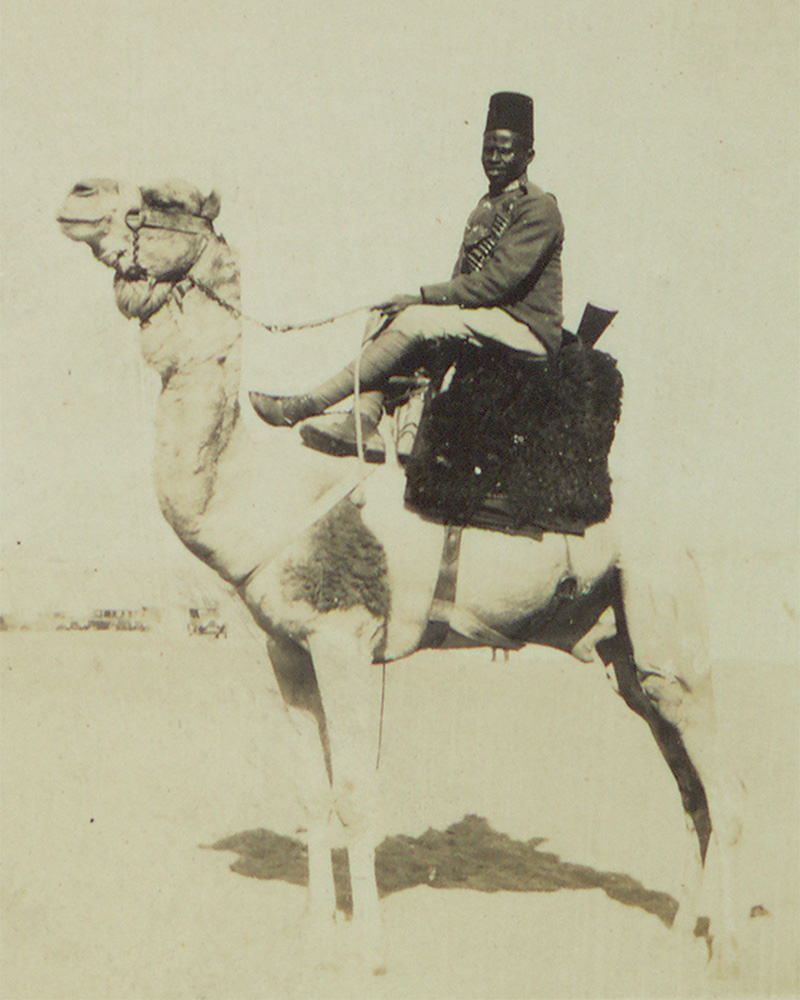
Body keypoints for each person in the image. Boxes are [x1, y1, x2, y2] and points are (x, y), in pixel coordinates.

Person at [250, 91, 564, 459]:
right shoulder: (486, 206)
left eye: (505, 150)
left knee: (414, 316)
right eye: (488, 149)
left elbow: (497, 283)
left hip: (525, 328)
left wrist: (421, 298)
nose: (494, 158)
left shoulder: (539, 207)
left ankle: (303, 405)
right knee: (384, 316)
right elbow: (463, 276)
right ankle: (362, 422)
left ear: (528, 156)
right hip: (489, 319)